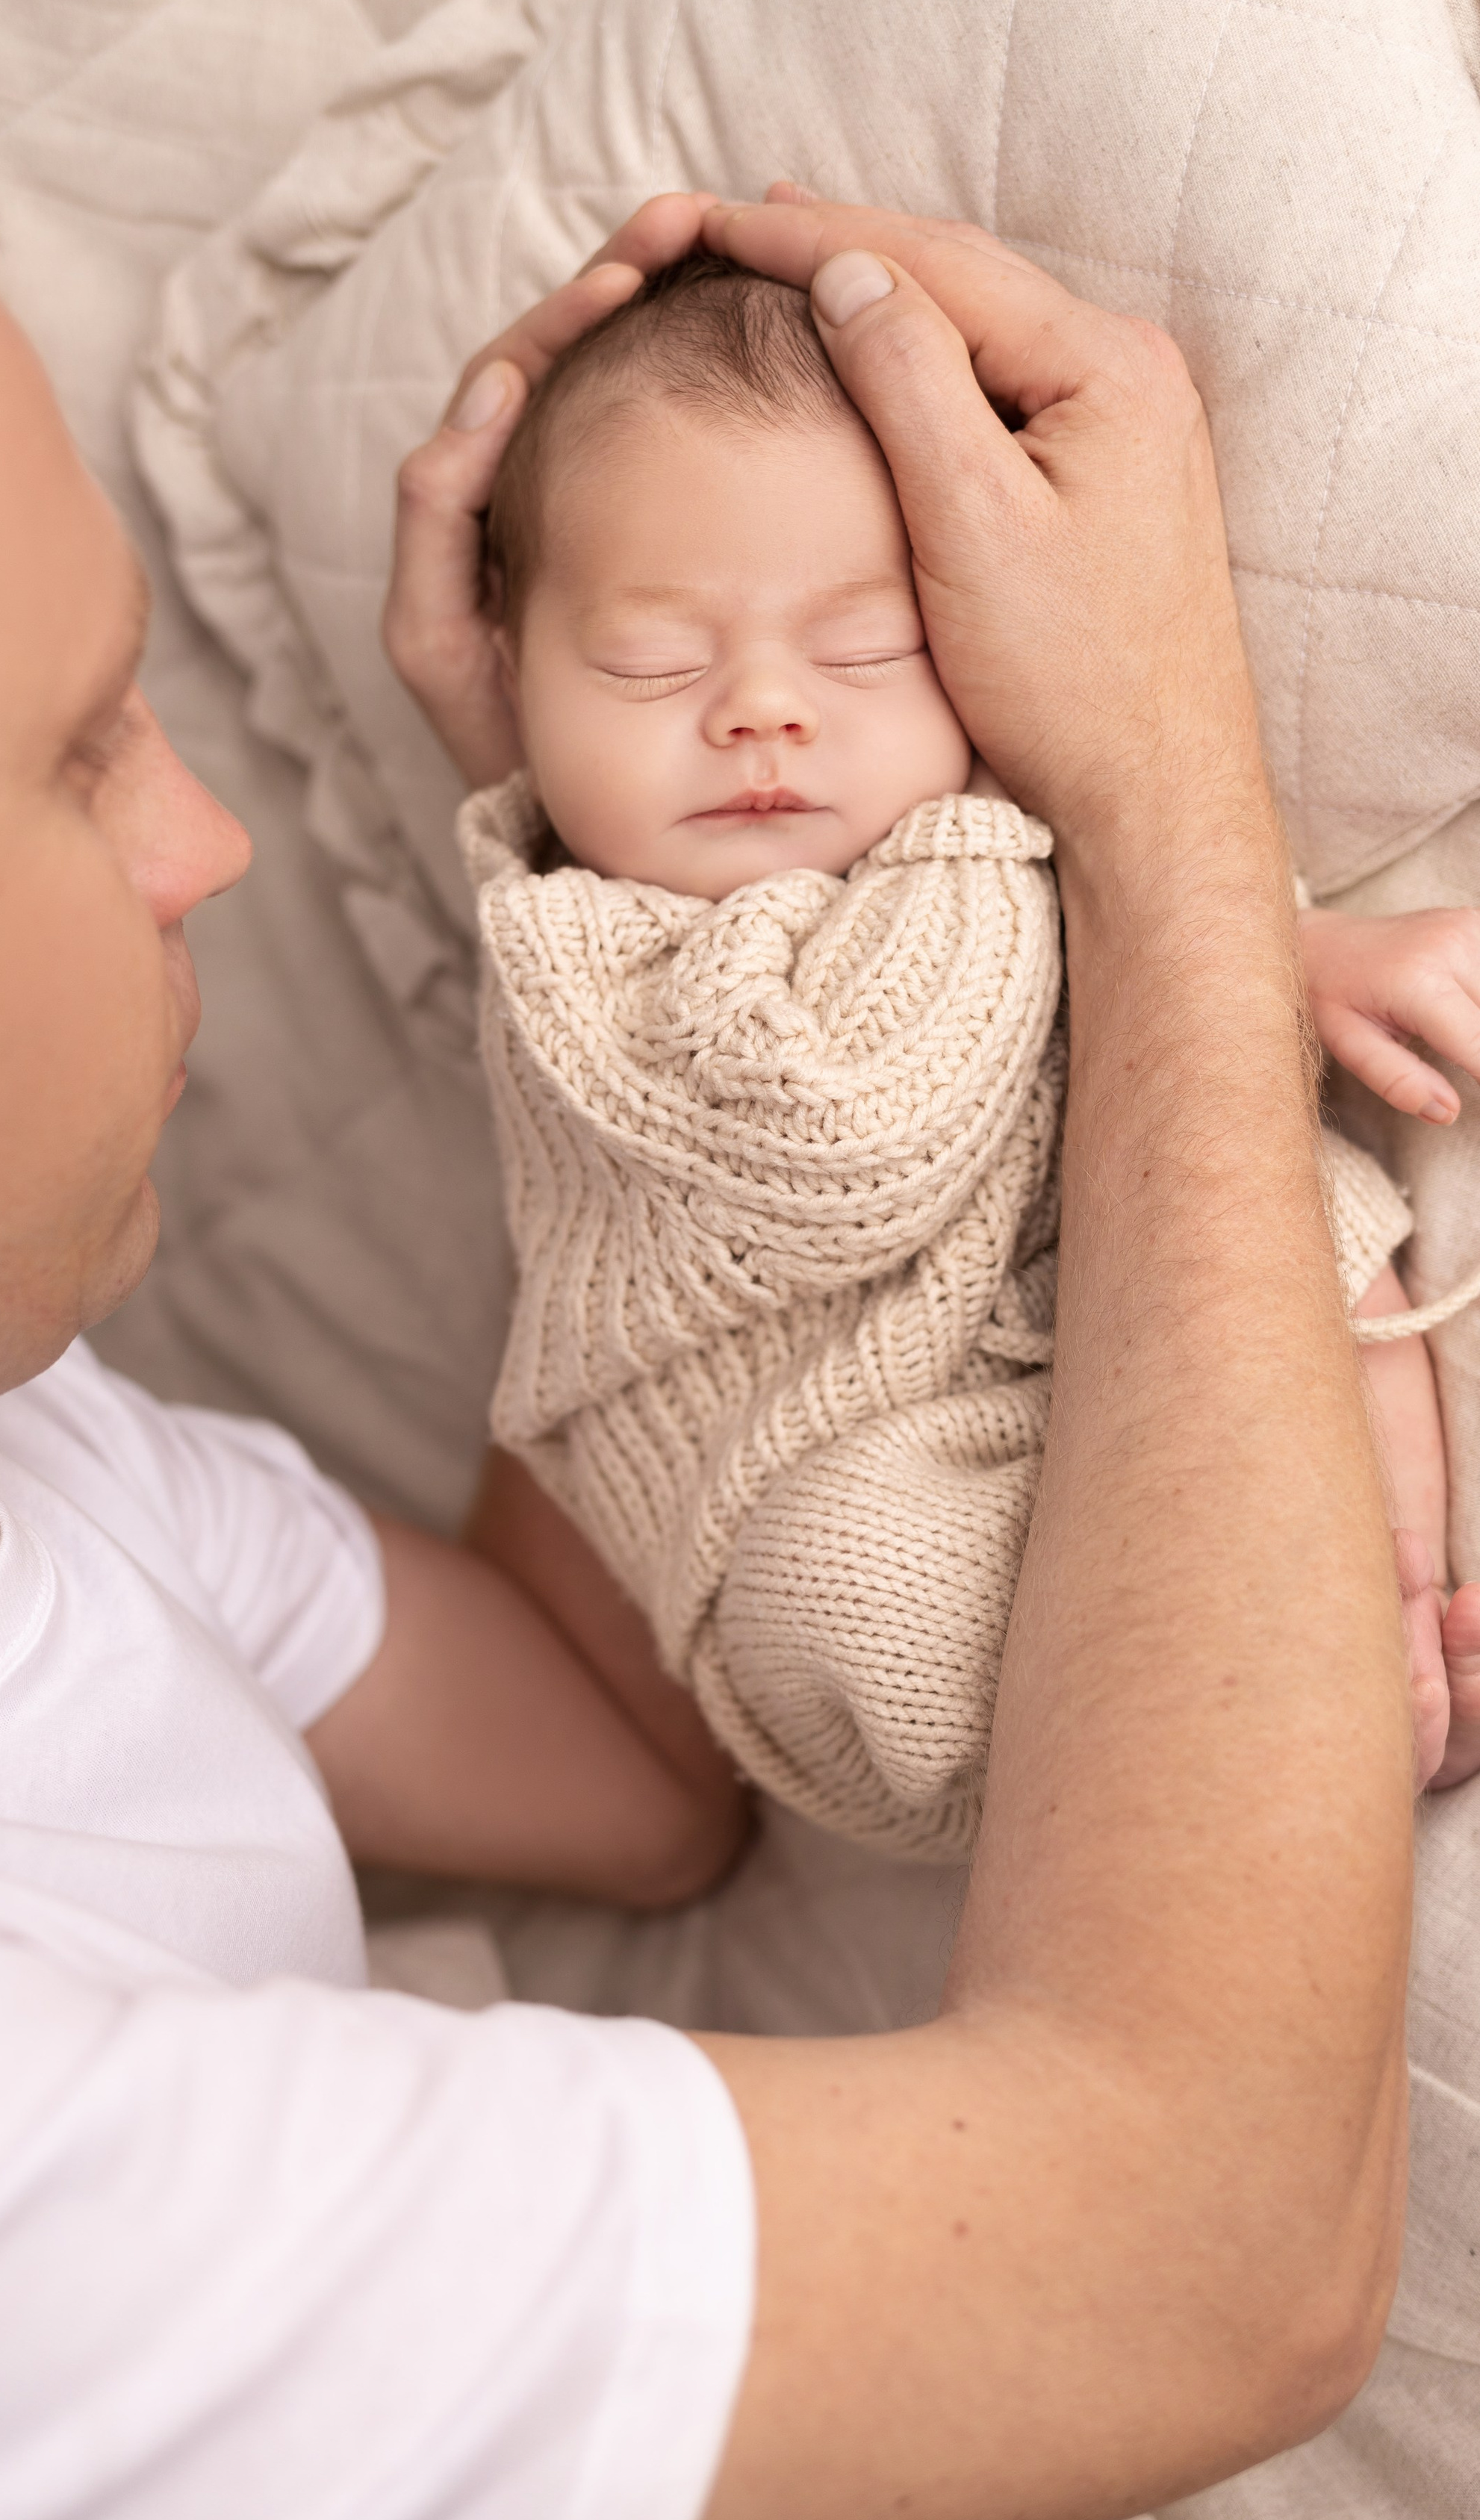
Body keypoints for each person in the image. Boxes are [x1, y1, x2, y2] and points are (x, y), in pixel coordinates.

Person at [0, 0, 1420, 2520]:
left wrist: (598, 864)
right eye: (72, 754)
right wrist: (1164, 810)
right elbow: (1214, 2246)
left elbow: (626, 1750)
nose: (205, 837)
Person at [440, 248, 1480, 1853]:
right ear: (514, 677)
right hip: (831, 1468)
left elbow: (1136, 934)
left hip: (1083, 1330)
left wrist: (1298, 950)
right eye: (652, 661)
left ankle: (1390, 1597)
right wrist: (1058, 829)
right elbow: (861, 1133)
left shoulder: (965, 837)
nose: (762, 711)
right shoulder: (587, 955)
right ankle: (1256, 1702)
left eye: (865, 649)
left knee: (1309, 1219)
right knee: (851, 1581)